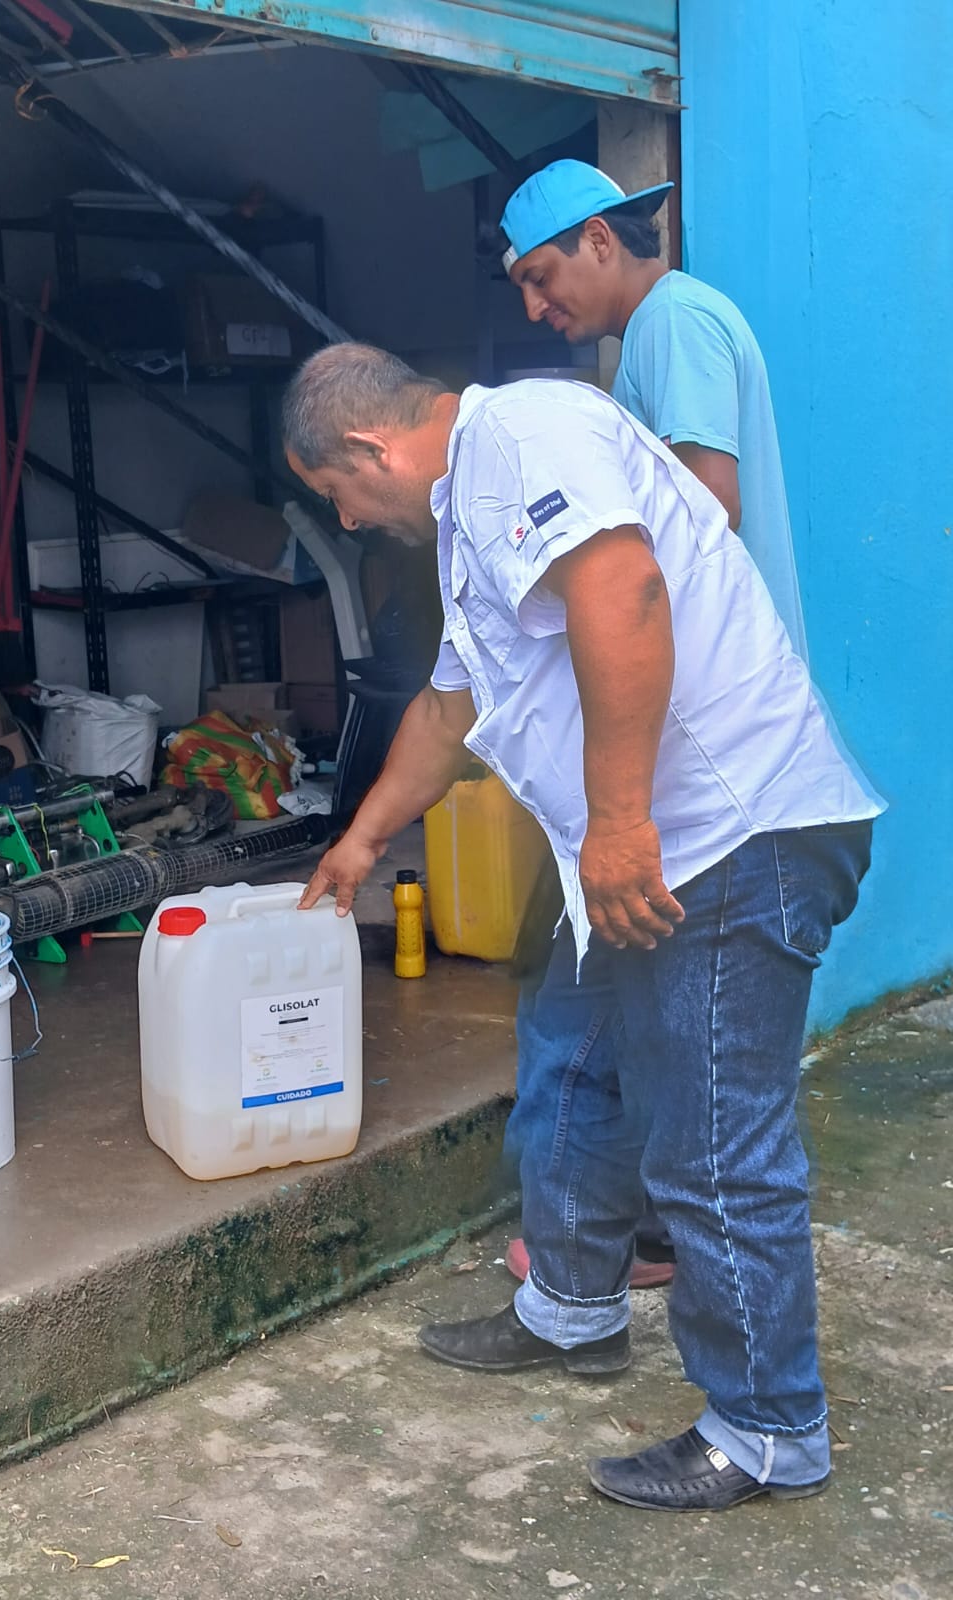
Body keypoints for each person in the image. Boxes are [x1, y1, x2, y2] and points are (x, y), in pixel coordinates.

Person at [283, 342, 881, 1511]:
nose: (348, 519)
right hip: (644, 855)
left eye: (337, 493)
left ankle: (769, 1427)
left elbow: (624, 589)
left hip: (726, 839)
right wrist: (359, 840)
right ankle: (570, 1304)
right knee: (572, 1057)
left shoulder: (525, 432)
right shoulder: (472, 527)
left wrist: (616, 824)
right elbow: (451, 708)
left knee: (713, 1144)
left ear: (367, 446)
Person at [497, 157, 811, 1298]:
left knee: (622, 1006)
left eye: (543, 277)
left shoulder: (672, 321)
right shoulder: (673, 329)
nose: (538, 309)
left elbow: (699, 511)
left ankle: (635, 1239)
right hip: (713, 728)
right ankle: (640, 1233)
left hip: (705, 732)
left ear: (599, 238)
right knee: (648, 1008)